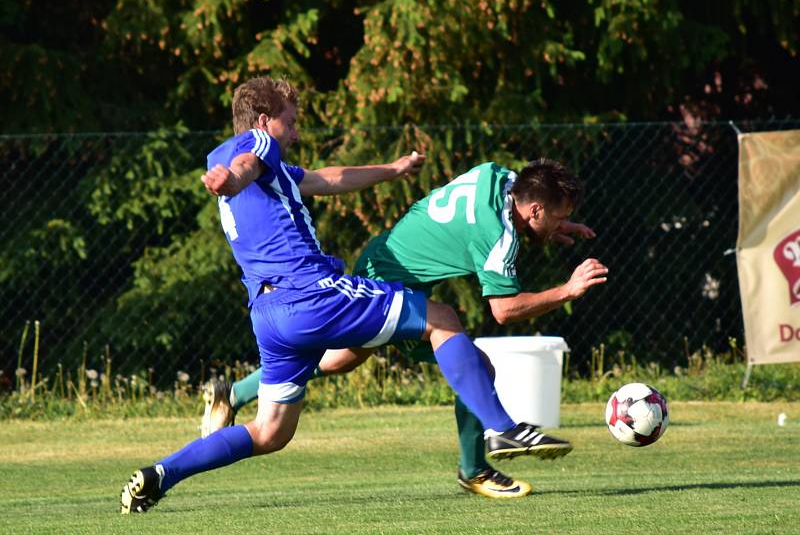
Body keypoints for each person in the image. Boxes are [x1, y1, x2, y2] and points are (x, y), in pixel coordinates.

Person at [119, 76, 571, 514]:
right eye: (290, 122)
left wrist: (392, 170)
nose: (295, 133)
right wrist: (231, 180)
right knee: (442, 318)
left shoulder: (258, 167)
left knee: (270, 432)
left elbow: (326, 179)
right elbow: (244, 167)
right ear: (262, 120)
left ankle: (161, 475)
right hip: (311, 293)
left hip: (269, 314)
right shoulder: (256, 148)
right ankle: (504, 430)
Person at [200, 156, 608, 499]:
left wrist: (551, 228)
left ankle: (233, 392)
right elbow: (504, 310)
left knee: (342, 359)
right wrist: (568, 290)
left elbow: (489, 221)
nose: (559, 224)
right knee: (476, 366)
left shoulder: (497, 175)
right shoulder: (499, 236)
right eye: (557, 216)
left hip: (385, 260)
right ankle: (476, 468)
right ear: (534, 209)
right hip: (389, 282)